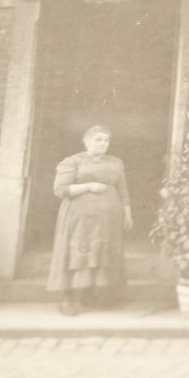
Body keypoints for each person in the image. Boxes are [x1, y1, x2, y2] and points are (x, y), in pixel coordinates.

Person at [47, 124, 132, 316]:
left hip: (109, 218)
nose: (103, 144)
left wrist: (127, 212)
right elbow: (60, 189)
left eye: (106, 140)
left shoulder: (116, 162)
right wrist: (89, 186)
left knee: (101, 252)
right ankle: (67, 298)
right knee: (77, 253)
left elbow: (122, 190)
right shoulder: (73, 162)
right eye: (98, 140)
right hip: (79, 217)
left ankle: (93, 294)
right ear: (86, 141)